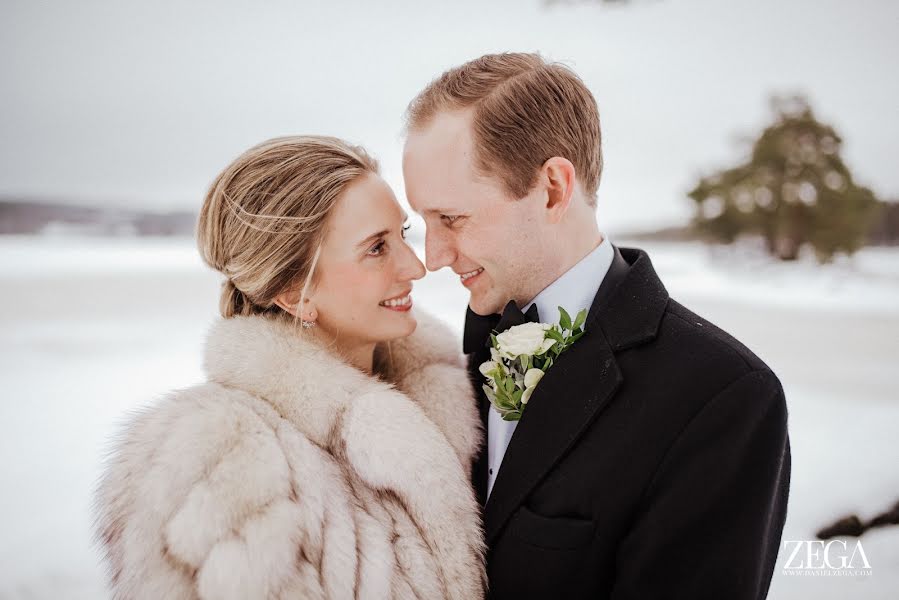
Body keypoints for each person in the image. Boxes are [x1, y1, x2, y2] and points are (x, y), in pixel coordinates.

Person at [402, 52, 791, 599]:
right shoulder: (441, 369)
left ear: (554, 189)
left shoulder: (723, 399)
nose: (434, 256)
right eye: (423, 223)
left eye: (452, 219)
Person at [93, 136, 486, 599]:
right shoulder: (224, 464)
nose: (416, 267)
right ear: (295, 293)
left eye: (402, 234)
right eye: (377, 248)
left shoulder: (453, 394)